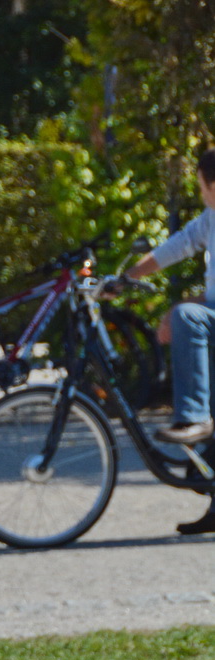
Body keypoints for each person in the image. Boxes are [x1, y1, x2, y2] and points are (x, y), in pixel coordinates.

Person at [124, 147, 215, 536]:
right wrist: (126, 278)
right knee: (186, 317)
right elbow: (175, 246)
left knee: (187, 317)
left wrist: (182, 308)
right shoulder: (211, 220)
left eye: (200, 187)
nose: (199, 194)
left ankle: (194, 419)